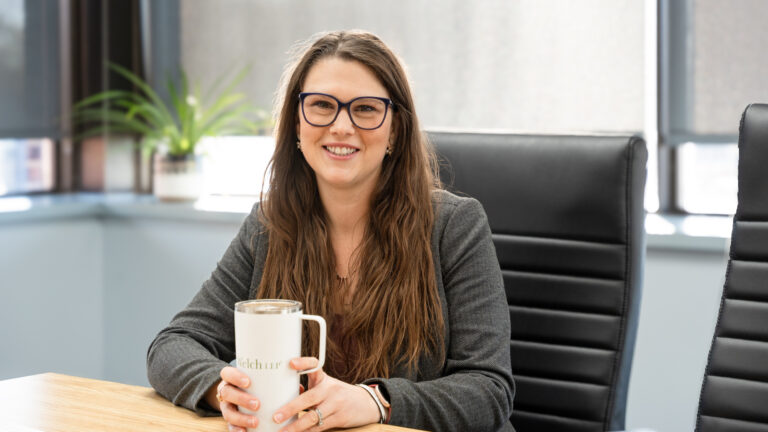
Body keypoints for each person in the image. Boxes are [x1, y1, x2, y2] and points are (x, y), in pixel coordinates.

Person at [147, 30, 515, 432]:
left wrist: (375, 401)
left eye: (366, 109)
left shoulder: (454, 226)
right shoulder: (270, 226)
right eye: (322, 105)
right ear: (297, 123)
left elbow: (489, 390)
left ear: (395, 129)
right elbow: (173, 345)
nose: (341, 126)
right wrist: (222, 390)